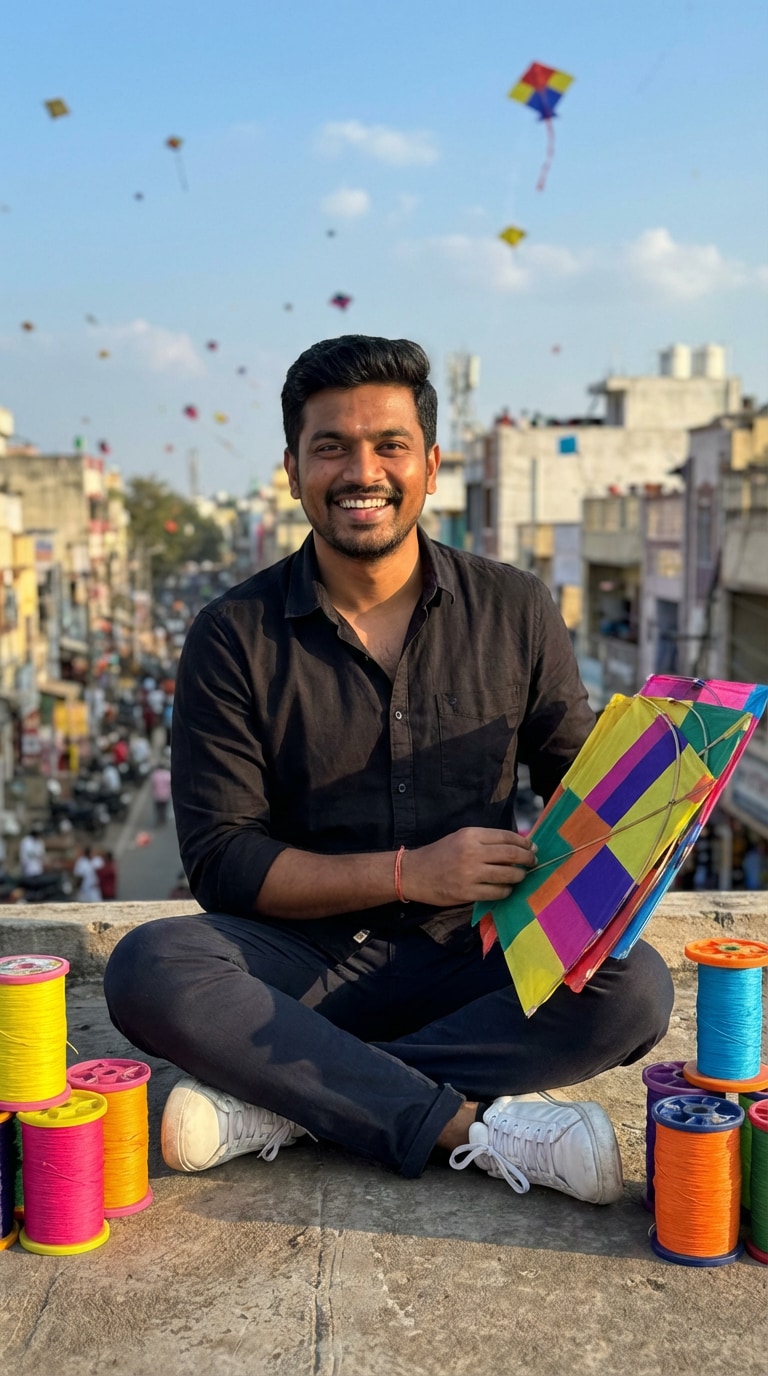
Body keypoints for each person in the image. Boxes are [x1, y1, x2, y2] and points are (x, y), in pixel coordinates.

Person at [104, 334, 673, 1208]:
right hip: (305, 965)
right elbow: (222, 860)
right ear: (292, 470)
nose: (360, 471)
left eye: (388, 445)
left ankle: (292, 1108)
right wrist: (412, 873)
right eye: (331, 446)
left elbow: (577, 789)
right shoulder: (233, 633)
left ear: (432, 465)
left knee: (635, 988)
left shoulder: (514, 607)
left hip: (474, 956)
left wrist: (661, 799)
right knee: (150, 966)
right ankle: (466, 1127)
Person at [150, 759, 172, 825]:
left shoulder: (154, 775)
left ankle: (159, 819)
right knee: (164, 808)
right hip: (165, 795)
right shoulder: (167, 774)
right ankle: (163, 819)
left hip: (157, 795)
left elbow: (153, 784)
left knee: (158, 809)